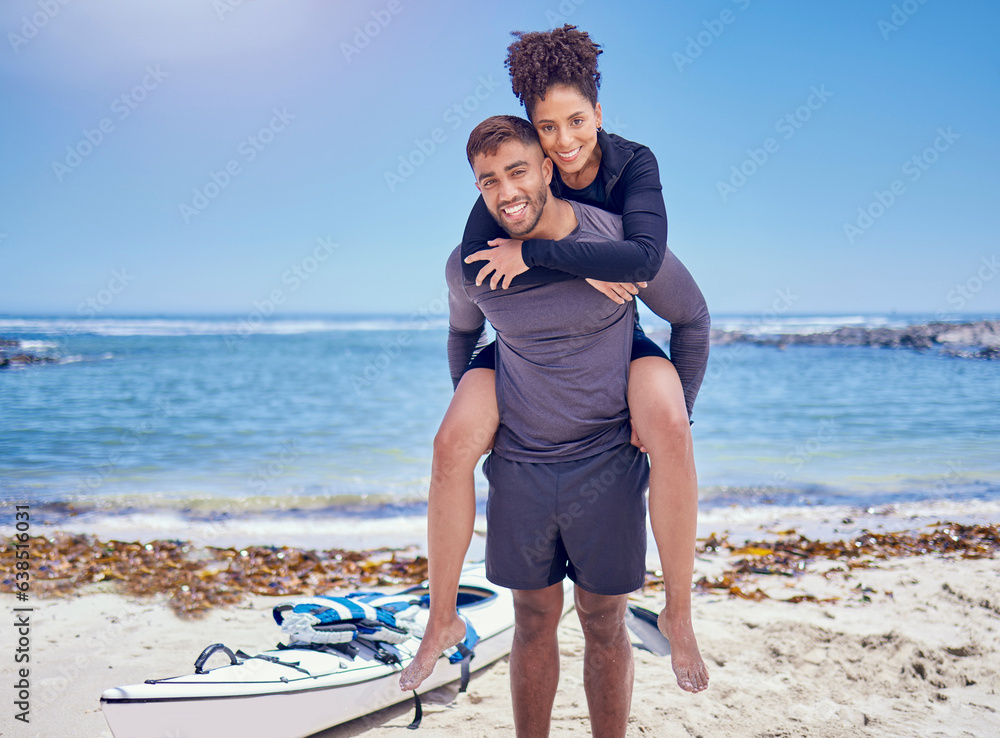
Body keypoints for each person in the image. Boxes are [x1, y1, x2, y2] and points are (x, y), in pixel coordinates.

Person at [399, 26, 709, 696]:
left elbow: (648, 266)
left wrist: (553, 256)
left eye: (577, 123)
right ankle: (442, 618)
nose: (565, 144)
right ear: (534, 141)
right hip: (523, 359)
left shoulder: (632, 167)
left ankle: (679, 612)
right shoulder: (502, 197)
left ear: (599, 114)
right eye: (549, 129)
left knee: (673, 424)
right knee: (451, 442)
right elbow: (474, 279)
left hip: (615, 340)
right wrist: (486, 408)